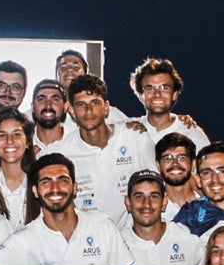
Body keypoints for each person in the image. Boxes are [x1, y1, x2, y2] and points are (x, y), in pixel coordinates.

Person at [0, 153, 135, 265]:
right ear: (35, 191)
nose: (55, 188)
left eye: (63, 180)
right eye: (46, 182)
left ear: (75, 187)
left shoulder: (103, 226)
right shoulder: (25, 239)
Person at [56, 74, 157, 224]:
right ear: (71, 110)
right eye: (81, 104)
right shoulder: (62, 152)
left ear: (106, 107)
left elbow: (158, 185)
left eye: (95, 102)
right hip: (88, 238)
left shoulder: (135, 138)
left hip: (133, 236)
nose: (88, 110)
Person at [0, 107, 39, 226]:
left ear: (28, 142)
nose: (10, 141)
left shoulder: (41, 184)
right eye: (3, 135)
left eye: (16, 134)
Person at [128, 58, 210, 150]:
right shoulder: (128, 129)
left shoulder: (192, 134)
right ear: (140, 95)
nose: (157, 94)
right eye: (149, 88)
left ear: (175, 94)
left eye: (164, 88)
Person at [155, 133, 200, 220]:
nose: (175, 163)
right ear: (158, 165)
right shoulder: (151, 209)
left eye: (182, 158)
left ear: (193, 164)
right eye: (168, 158)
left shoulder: (208, 205)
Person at [29, 78, 72, 152]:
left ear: (65, 106)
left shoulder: (77, 139)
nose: (48, 105)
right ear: (33, 107)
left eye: (55, 99)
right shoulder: (21, 143)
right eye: (41, 99)